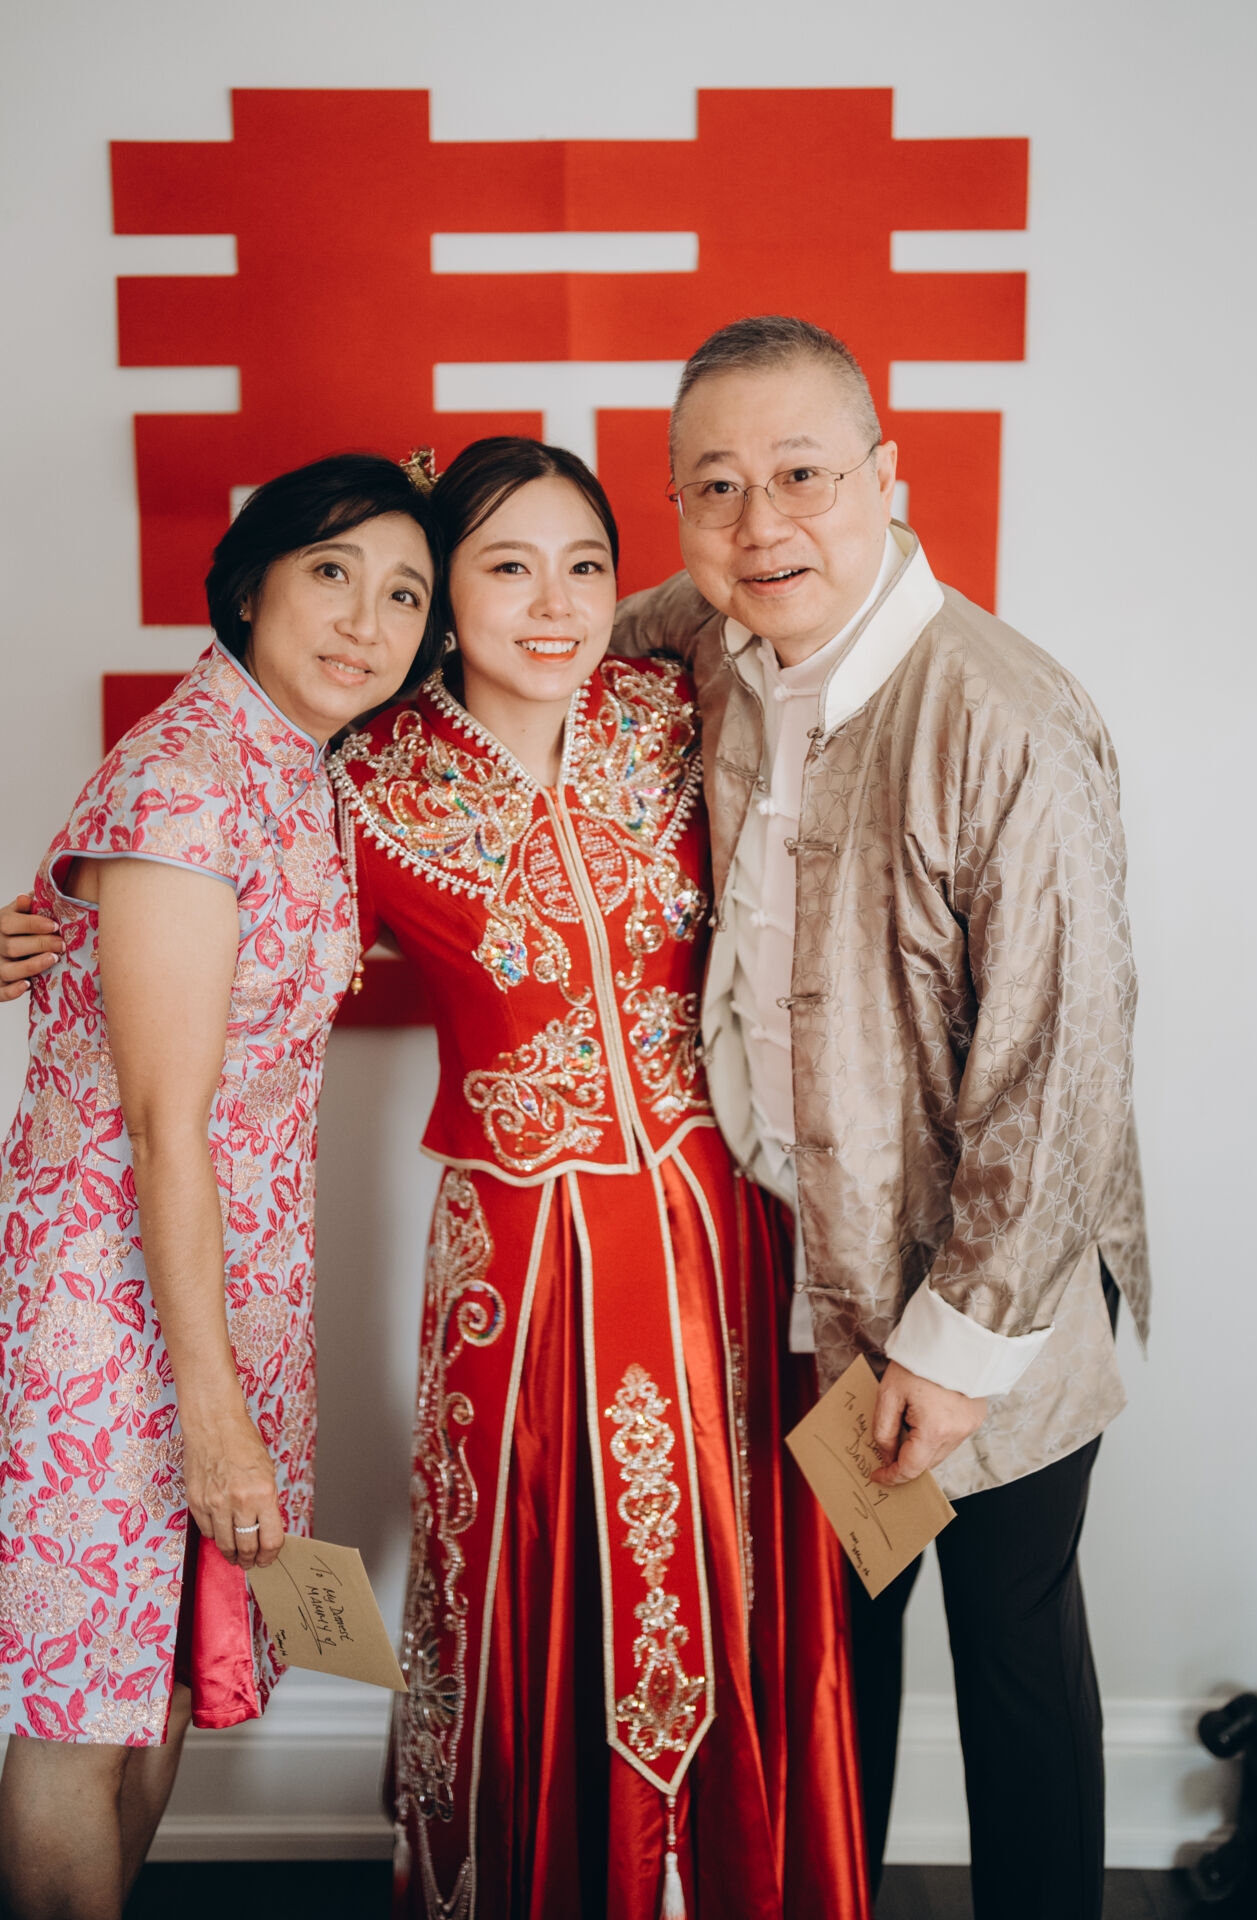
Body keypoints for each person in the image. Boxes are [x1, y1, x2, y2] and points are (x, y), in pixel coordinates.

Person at [611, 315, 1152, 1920]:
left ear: (885, 477)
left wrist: (955, 1350)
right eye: (715, 488)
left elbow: (1061, 1072)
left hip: (992, 1292)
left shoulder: (1001, 715)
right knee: (837, 1659)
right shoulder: (706, 644)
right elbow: (540, 634)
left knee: (1013, 1659)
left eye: (803, 475)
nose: (761, 523)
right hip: (813, 1284)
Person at [330, 437, 871, 1920]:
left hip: (721, 1229)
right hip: (518, 1257)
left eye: (584, 565)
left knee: (736, 1560)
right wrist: (70, 920)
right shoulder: (363, 778)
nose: (557, 603)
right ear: (442, 592)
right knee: (526, 1563)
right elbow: (208, 927)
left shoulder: (675, 712)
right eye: (509, 567)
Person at [0, 452, 442, 1920]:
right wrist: (213, 1412)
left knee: (167, 1679)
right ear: (250, 583)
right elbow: (160, 1122)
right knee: (83, 1707)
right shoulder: (188, 781)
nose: (366, 622)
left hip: (224, 1295)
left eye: (405, 595)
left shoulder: (299, 769)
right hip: (112, 1311)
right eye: (332, 573)